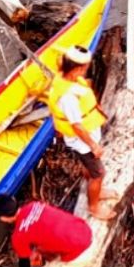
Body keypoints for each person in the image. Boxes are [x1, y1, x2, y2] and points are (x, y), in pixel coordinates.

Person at [46, 44, 118, 219]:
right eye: (85, 67)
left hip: (85, 136)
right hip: (83, 142)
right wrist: (93, 146)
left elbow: (60, 54)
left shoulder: (65, 77)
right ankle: (93, 206)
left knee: (90, 168)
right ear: (78, 68)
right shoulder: (68, 97)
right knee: (98, 173)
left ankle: (96, 189)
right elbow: (77, 126)